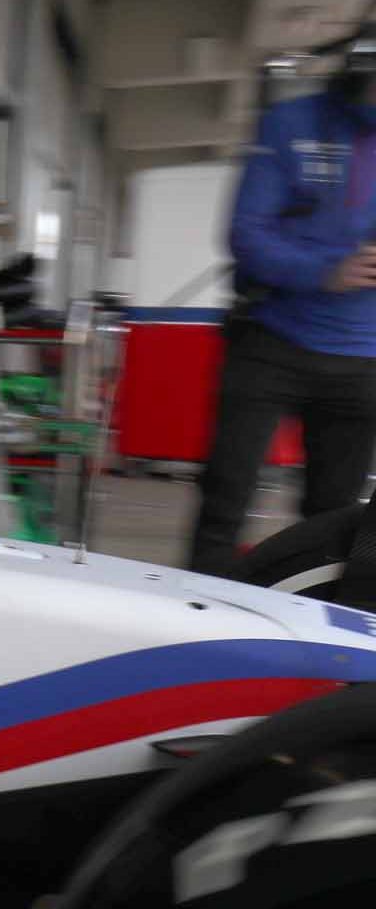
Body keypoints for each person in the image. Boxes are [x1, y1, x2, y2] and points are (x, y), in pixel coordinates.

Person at [189, 32, 376, 575]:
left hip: (360, 362)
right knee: (225, 497)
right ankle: (198, 618)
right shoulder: (291, 125)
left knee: (335, 519)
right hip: (272, 343)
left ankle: (316, 630)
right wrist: (324, 271)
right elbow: (246, 234)